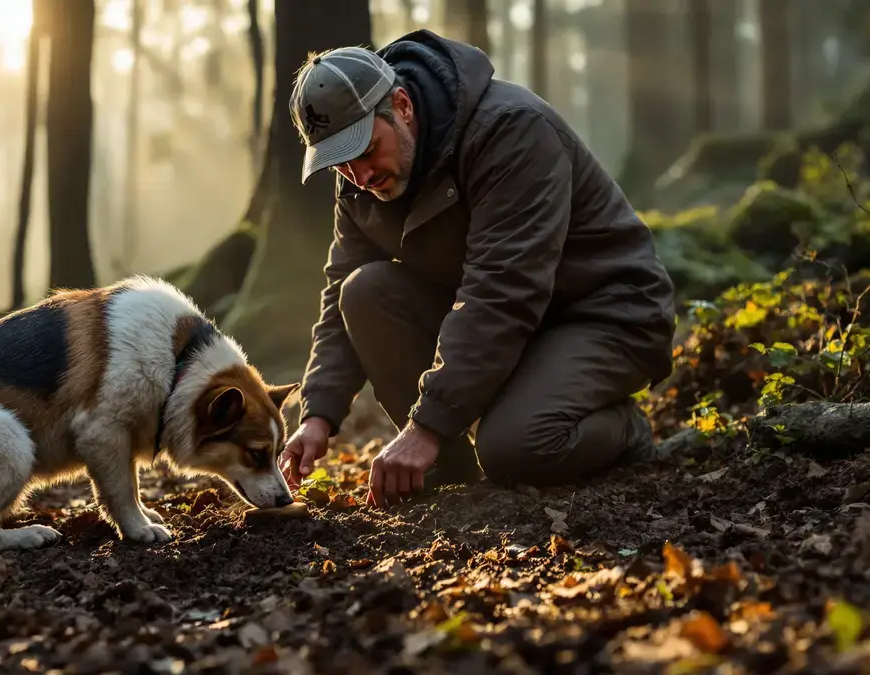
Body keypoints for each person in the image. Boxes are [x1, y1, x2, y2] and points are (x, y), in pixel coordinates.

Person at [277, 30, 678, 509]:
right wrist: (317, 415)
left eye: (365, 150)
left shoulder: (510, 131)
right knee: (365, 291)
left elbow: (503, 289)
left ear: (402, 106)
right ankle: (446, 467)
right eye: (340, 163)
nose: (359, 177)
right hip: (515, 322)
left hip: (604, 311)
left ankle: (627, 430)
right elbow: (341, 288)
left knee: (515, 448)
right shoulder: (361, 180)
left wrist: (425, 425)